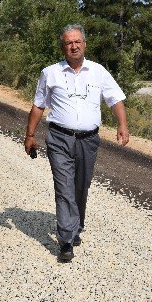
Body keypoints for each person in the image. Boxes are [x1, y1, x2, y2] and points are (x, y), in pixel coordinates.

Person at [24, 24, 130, 262]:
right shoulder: (50, 72)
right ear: (63, 47)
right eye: (68, 42)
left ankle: (76, 226)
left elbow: (115, 99)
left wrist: (122, 124)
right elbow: (39, 105)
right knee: (64, 189)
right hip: (59, 138)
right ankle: (66, 241)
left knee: (80, 187)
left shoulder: (98, 71)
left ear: (84, 44)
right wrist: (30, 135)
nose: (73, 46)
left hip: (88, 140)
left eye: (77, 42)